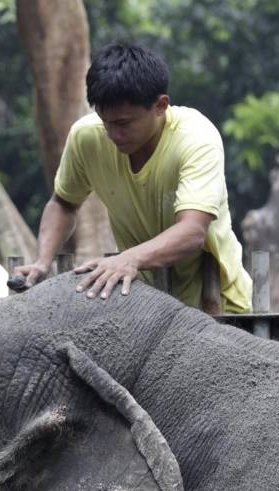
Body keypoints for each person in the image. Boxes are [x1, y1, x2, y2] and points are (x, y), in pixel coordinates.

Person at [13, 41, 252, 313]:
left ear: (161, 105)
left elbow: (192, 231)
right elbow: (64, 203)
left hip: (218, 308)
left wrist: (128, 259)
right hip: (145, 309)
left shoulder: (196, 139)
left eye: (124, 124)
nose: (114, 135)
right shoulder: (86, 137)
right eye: (107, 123)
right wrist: (43, 261)